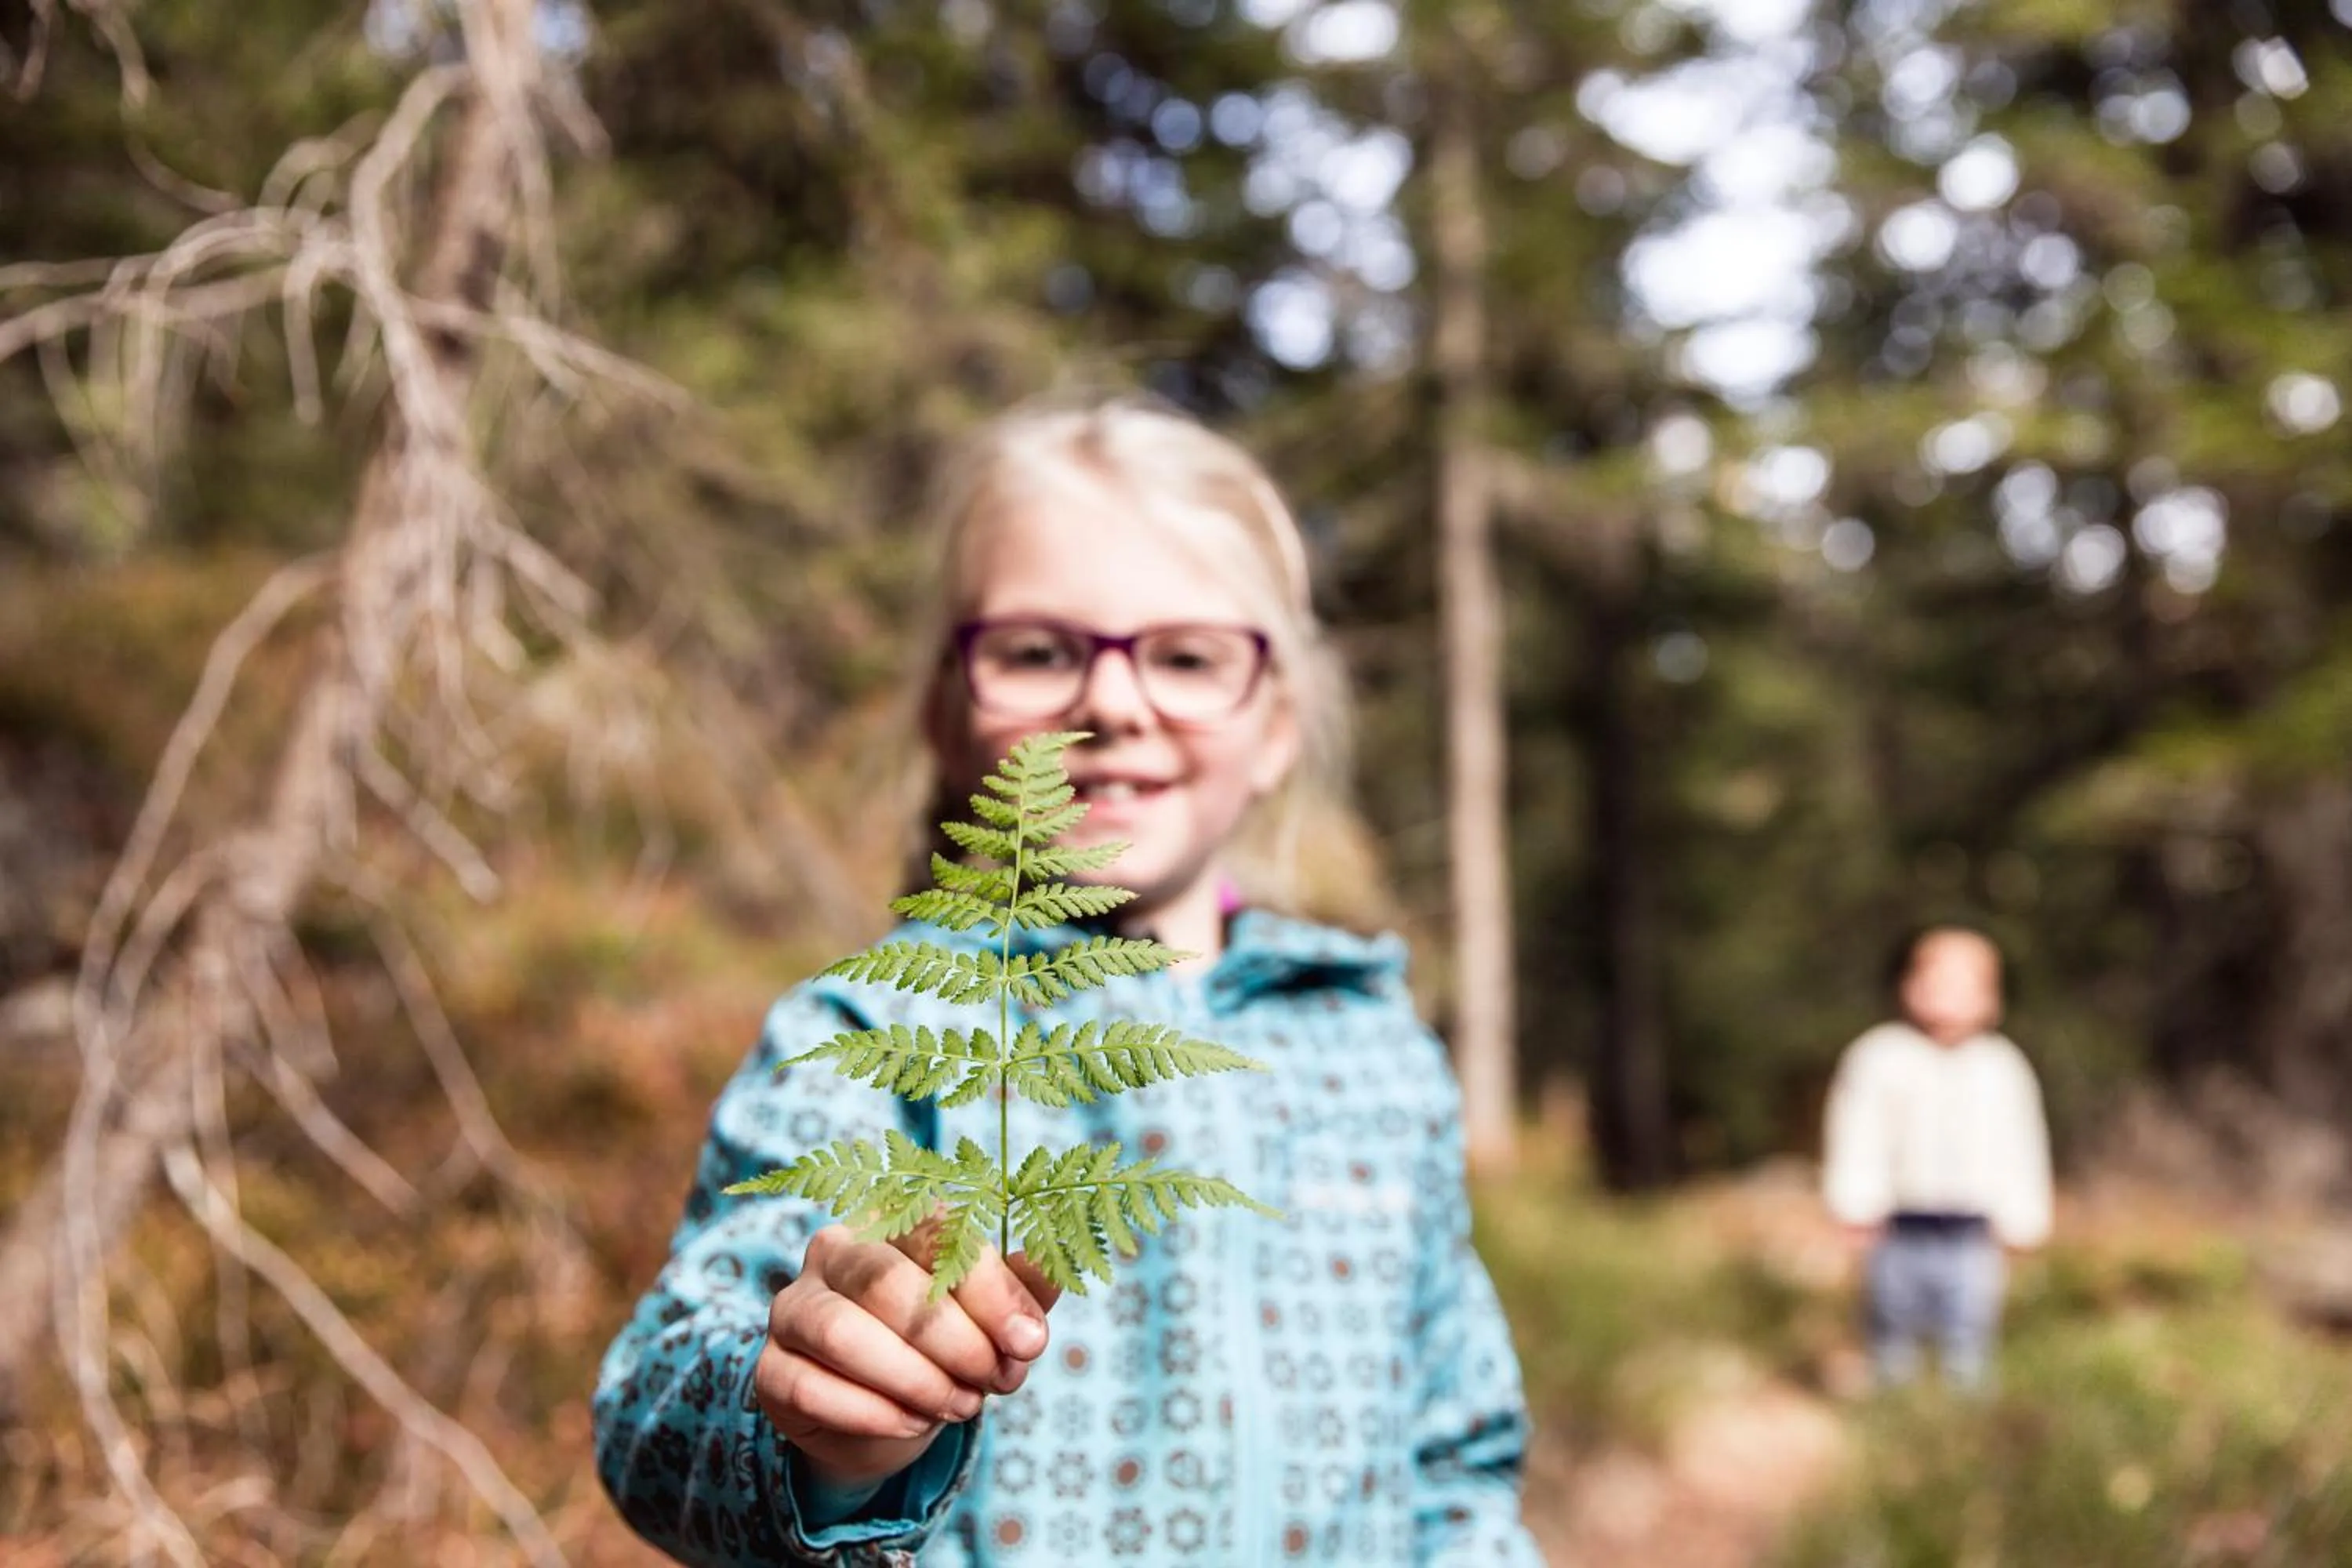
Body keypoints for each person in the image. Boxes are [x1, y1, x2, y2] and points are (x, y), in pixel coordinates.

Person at [592, 398, 1544, 1565]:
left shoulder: (1374, 1045)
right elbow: (651, 1415)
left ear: (1278, 723)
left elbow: (1454, 1455)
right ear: (950, 712)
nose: (1112, 702)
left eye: (1189, 656)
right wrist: (808, 1422)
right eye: (1041, 651)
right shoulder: (873, 1026)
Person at [1821, 924, 2053, 1391]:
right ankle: (1897, 1421)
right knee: (1891, 1328)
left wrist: (2026, 1217)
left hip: (1972, 1232)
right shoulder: (1879, 1057)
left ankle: (1962, 1439)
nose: (1948, 998)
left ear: (1992, 999)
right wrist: (1854, 1204)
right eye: (1936, 983)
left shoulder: (2002, 1067)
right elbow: (1857, 1136)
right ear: (1909, 987)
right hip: (1898, 1227)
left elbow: (2022, 1146)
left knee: (1970, 1335)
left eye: (1965, 986)